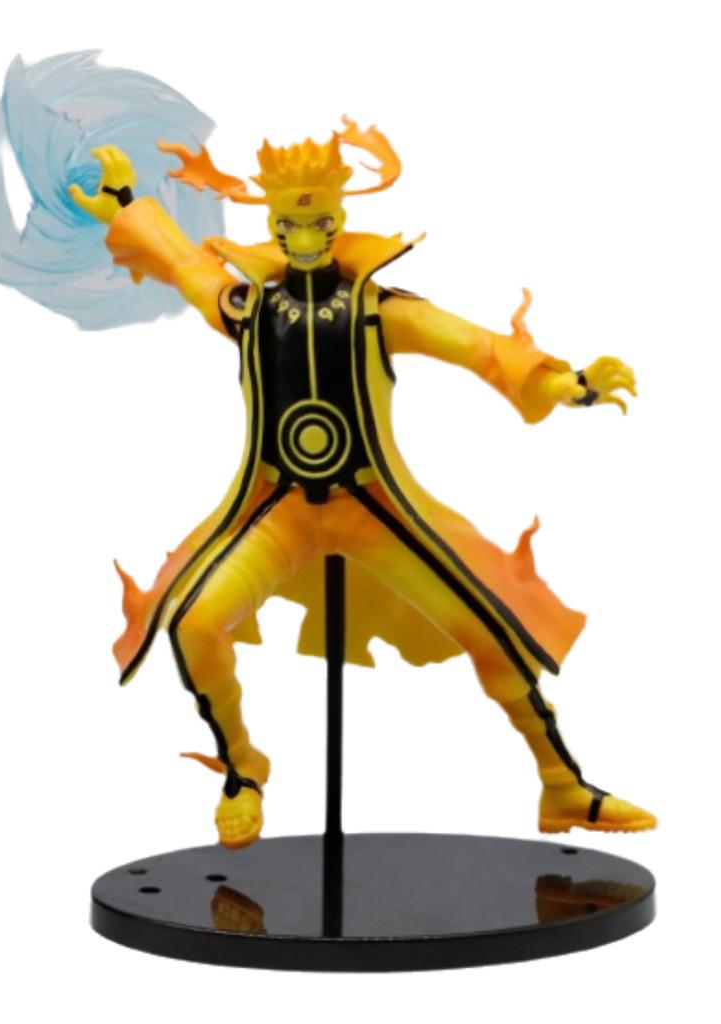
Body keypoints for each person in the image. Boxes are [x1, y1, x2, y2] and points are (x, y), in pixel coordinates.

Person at [70, 122, 656, 848]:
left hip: (374, 508)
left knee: (492, 627)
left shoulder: (379, 310)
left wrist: (569, 385)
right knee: (193, 625)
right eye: (289, 224)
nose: (303, 237)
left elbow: (477, 347)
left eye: (317, 222)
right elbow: (184, 263)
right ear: (273, 227)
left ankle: (561, 784)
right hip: (278, 509)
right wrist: (129, 203)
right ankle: (243, 768)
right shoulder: (247, 309)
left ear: (338, 221)